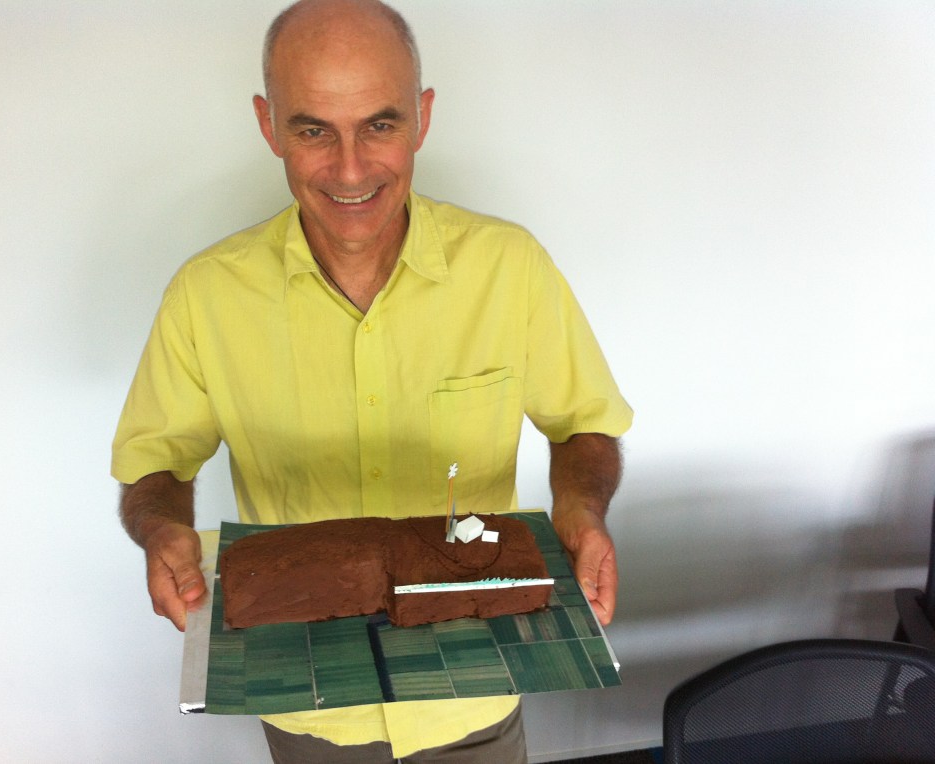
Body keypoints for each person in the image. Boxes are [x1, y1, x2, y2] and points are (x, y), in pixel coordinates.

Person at [112, 1, 632, 761]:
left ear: (423, 118)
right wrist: (161, 531)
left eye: (379, 125)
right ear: (268, 125)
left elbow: (584, 422)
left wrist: (581, 509)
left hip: (474, 691)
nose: (350, 169)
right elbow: (154, 462)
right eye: (312, 130)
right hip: (310, 705)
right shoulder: (205, 295)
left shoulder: (510, 268)